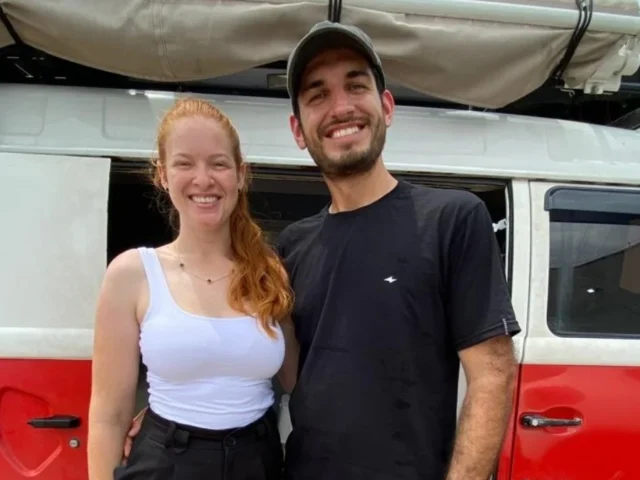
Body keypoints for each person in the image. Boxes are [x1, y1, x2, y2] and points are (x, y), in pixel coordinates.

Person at [124, 21, 521, 480]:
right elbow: (254, 357)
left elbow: (493, 373)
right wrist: (168, 415)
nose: (341, 107)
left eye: (356, 86)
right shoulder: (291, 247)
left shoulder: (452, 220)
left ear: (386, 106)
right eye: (318, 95)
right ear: (298, 130)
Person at [87, 97, 298, 480]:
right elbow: (108, 414)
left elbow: (297, 380)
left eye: (218, 163)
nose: (203, 179)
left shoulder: (269, 274)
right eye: (184, 163)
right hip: (166, 463)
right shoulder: (133, 273)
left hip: (258, 463)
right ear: (163, 175)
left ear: (240, 174)